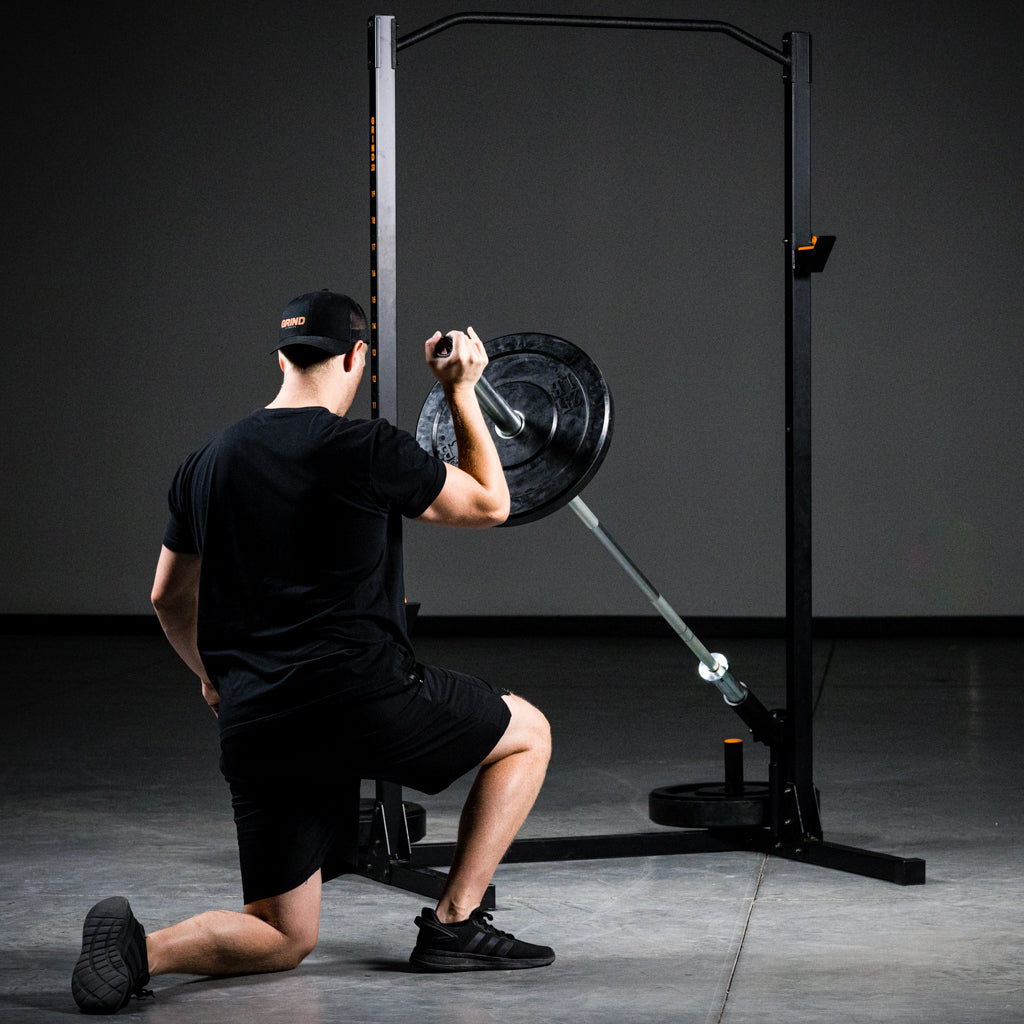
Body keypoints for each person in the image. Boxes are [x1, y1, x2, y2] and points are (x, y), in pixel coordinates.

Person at [71, 290, 554, 1014]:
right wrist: (461, 391)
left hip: (259, 719)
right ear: (356, 356)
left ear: (282, 356)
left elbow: (167, 598)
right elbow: (491, 503)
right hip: (366, 701)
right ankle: (455, 923)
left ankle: (144, 950)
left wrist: (214, 679)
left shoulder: (207, 462)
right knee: (527, 735)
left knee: (283, 935)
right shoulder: (363, 447)